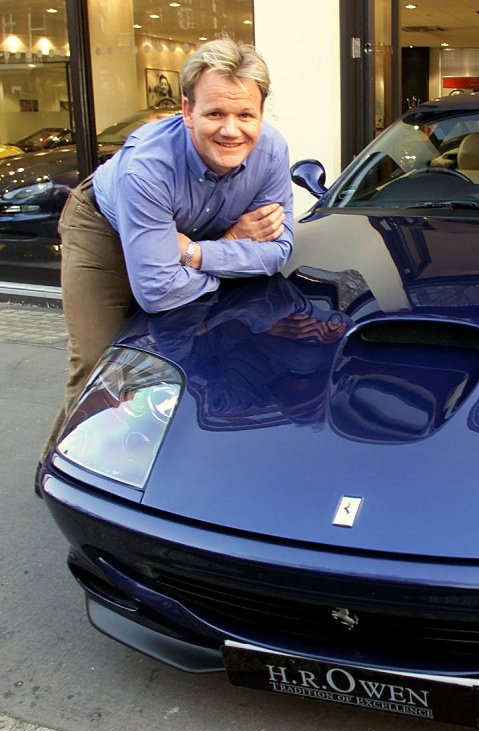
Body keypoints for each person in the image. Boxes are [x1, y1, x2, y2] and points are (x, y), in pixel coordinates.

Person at [40, 37, 294, 464]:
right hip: (103, 229)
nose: (231, 130)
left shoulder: (271, 152)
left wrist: (198, 252)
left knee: (194, 354)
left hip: (192, 237)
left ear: (261, 114)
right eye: (215, 113)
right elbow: (158, 292)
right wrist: (232, 243)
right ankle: (61, 469)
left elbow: (279, 251)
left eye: (245, 114)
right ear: (187, 111)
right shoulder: (148, 165)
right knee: (104, 362)